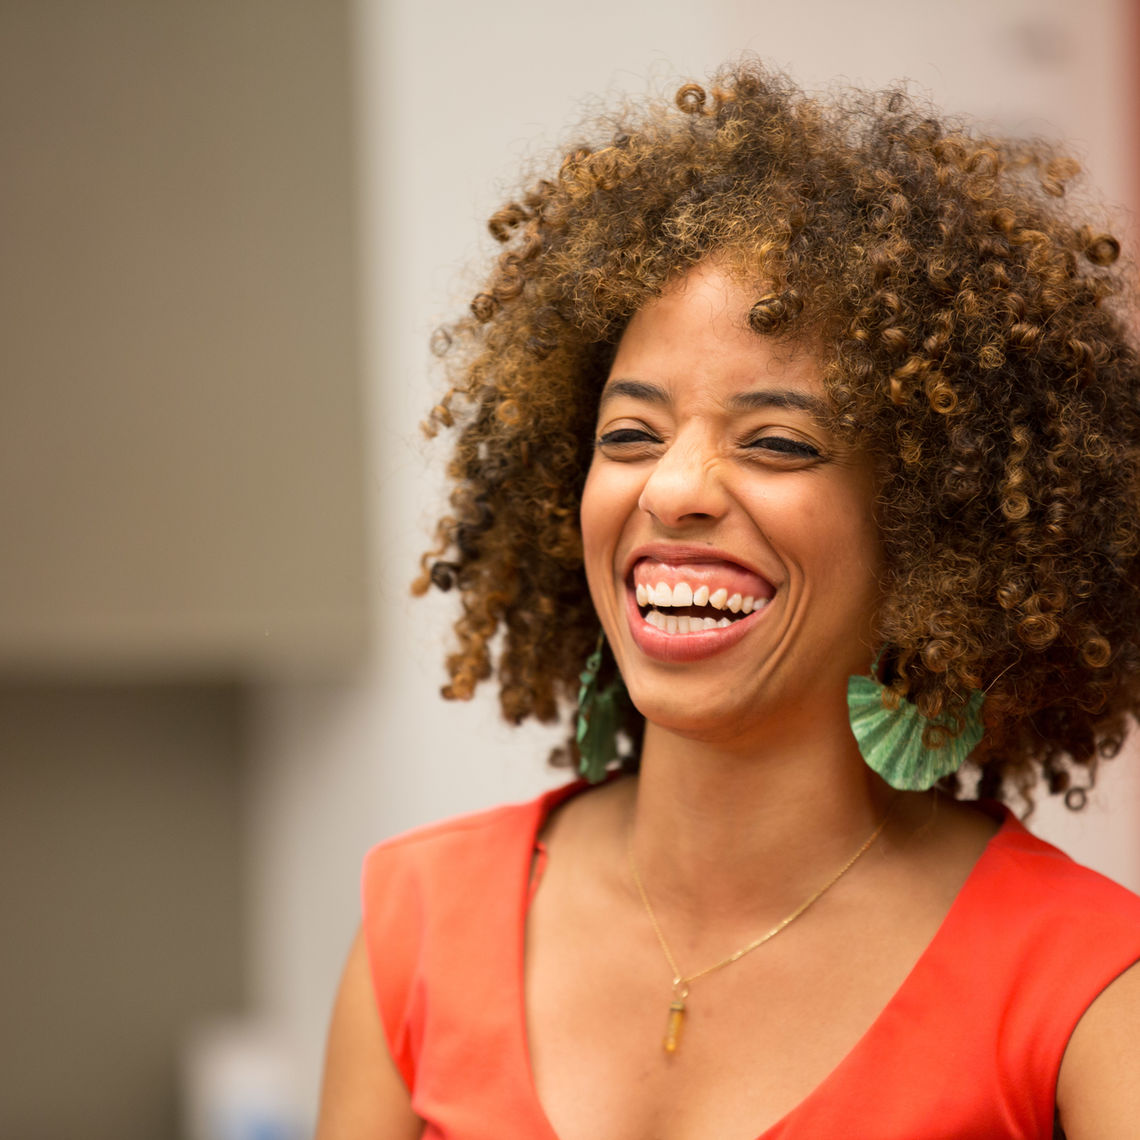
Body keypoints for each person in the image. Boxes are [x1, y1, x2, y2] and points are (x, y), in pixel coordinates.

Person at [316, 62, 1140, 1139]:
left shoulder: (1087, 990)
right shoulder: (416, 921)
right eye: (629, 436)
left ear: (935, 530)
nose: (672, 489)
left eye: (780, 443)